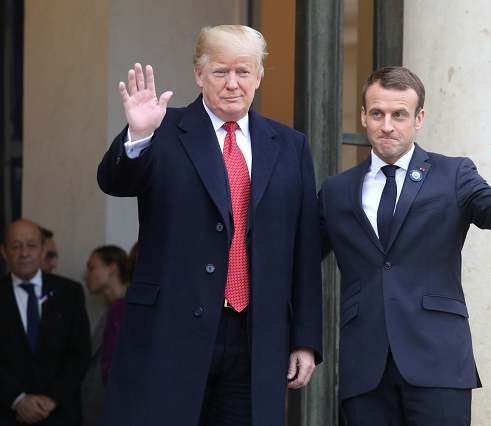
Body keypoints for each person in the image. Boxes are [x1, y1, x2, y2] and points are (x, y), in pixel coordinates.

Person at [97, 25, 322, 426]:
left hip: (256, 337)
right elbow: (116, 182)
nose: (232, 83)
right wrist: (137, 134)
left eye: (243, 71)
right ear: (199, 75)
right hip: (171, 333)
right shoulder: (161, 130)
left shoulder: (291, 145)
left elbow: (304, 249)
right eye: (220, 72)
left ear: (259, 76)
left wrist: (304, 339)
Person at [318, 67, 491, 425]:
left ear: (418, 118)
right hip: (364, 367)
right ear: (363, 116)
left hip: (438, 360)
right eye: (377, 113)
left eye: (399, 115)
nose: (387, 126)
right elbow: (300, 259)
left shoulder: (453, 174)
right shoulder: (335, 191)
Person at [0, 219, 91, 425]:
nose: (24, 253)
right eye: (16, 246)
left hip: (59, 414)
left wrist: (51, 399)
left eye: (31, 245)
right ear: (4, 253)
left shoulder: (70, 293)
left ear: (43, 250)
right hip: (7, 414)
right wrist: (18, 400)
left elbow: (80, 354)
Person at [81, 245, 131, 426]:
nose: (85, 276)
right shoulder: (113, 308)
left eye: (91, 267)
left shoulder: (126, 308)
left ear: (111, 268)